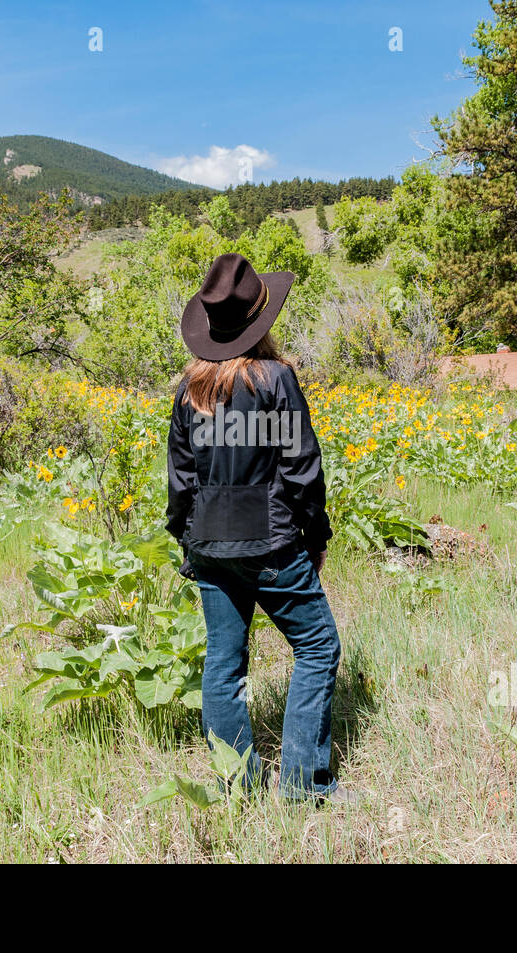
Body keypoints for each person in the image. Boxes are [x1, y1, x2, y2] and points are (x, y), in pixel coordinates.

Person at [166, 252, 356, 804]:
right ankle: (301, 784)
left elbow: (180, 480)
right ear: (260, 322)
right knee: (318, 647)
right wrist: (315, 539)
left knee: (224, 663)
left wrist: (189, 545)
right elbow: (302, 469)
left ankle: (237, 786)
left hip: (209, 545)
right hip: (270, 541)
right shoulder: (275, 380)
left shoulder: (189, 392)